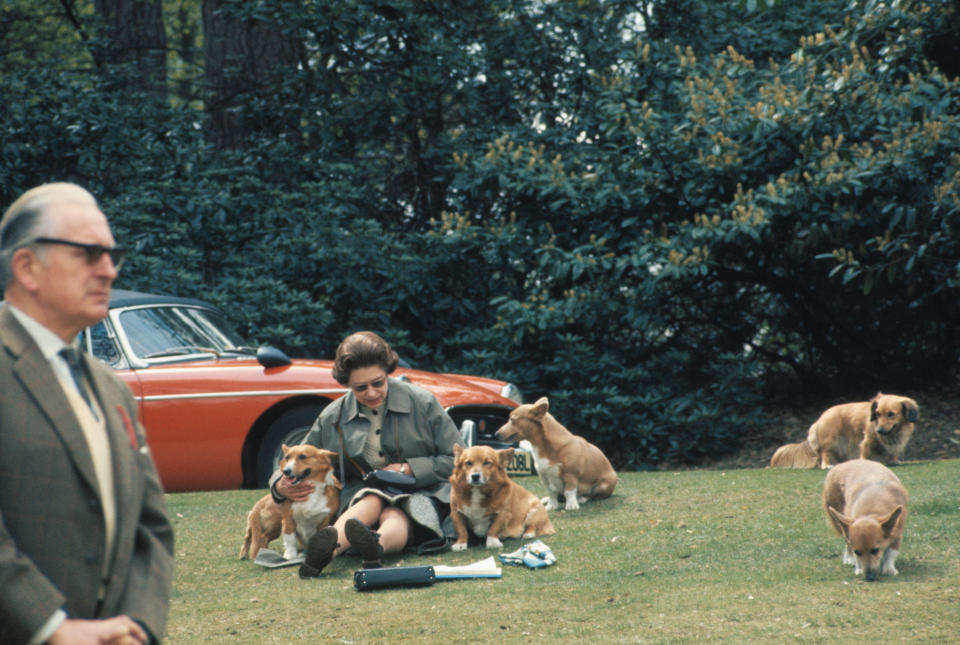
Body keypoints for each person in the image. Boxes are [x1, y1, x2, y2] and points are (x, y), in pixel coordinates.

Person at [0, 183, 175, 645]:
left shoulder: (111, 387)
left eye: (112, 254)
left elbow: (151, 524)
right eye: (89, 254)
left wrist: (137, 625)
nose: (109, 271)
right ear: (26, 267)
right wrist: (52, 627)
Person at [271, 331, 463, 578]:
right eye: (360, 388)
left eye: (378, 383)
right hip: (362, 496)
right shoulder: (333, 416)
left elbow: (460, 460)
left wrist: (409, 469)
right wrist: (279, 485)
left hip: (423, 491)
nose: (371, 393)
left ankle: (374, 546)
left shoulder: (423, 402)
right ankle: (327, 552)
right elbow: (294, 459)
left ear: (388, 373)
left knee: (395, 511)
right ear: (346, 384)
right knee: (371, 500)